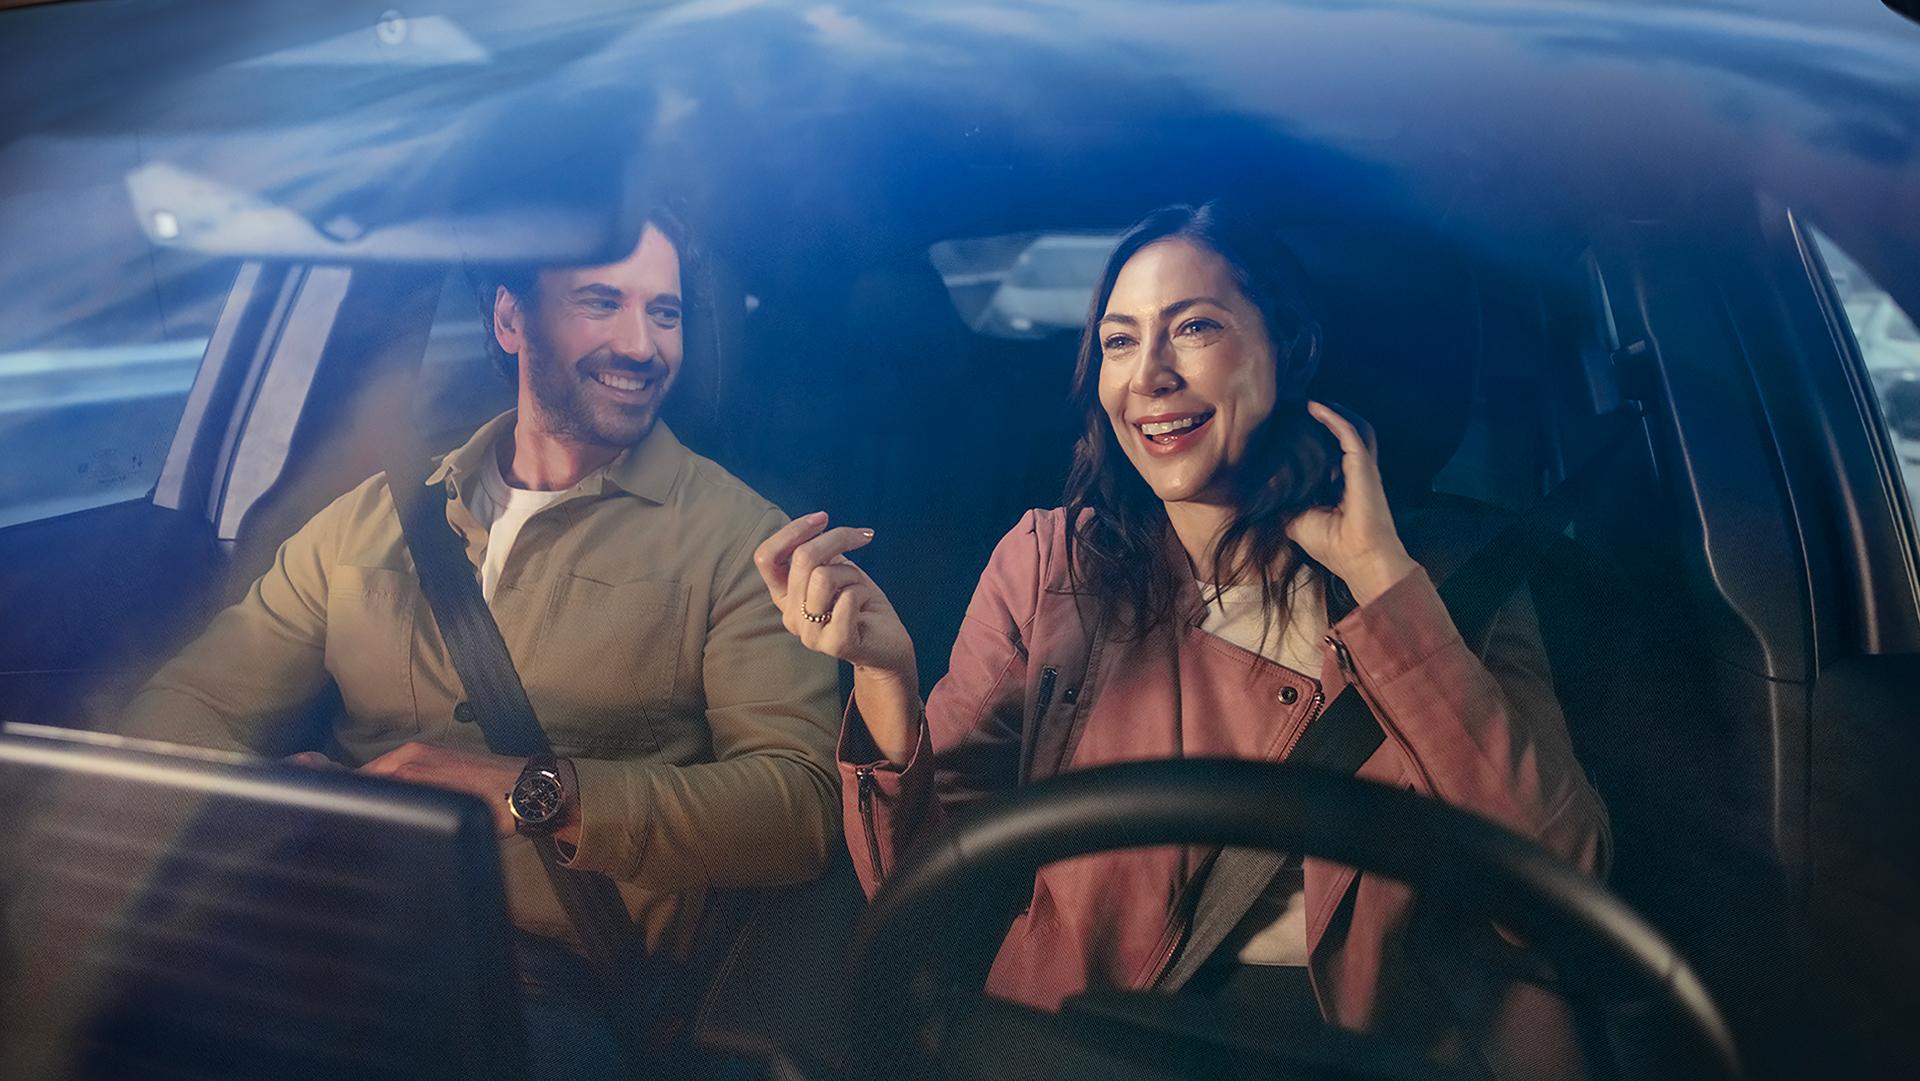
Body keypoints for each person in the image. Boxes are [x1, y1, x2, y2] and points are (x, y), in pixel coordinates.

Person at [754, 201, 1609, 1073]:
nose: (1149, 375)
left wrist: (1385, 584)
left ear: (1288, 347)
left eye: (1193, 327)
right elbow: (928, 896)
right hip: (1090, 1040)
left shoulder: (1451, 577)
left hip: (1368, 1051)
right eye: (1120, 342)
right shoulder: (1051, 565)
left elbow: (1560, 879)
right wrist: (884, 679)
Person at [119, 210, 842, 1075]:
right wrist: (270, 798)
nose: (642, 345)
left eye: (666, 314)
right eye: (602, 303)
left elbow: (799, 809)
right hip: (315, 936)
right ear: (510, 320)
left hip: (541, 985)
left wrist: (535, 790)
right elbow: (184, 703)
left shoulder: (746, 541)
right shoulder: (376, 514)